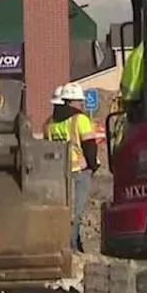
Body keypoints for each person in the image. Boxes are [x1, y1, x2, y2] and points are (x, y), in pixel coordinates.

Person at [46, 83, 100, 253]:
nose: (82, 104)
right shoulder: (80, 119)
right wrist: (92, 165)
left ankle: (63, 244)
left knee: (62, 211)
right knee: (75, 213)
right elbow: (90, 145)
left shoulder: (49, 123)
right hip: (79, 171)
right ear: (73, 101)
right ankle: (72, 248)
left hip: (58, 173)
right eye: (79, 101)